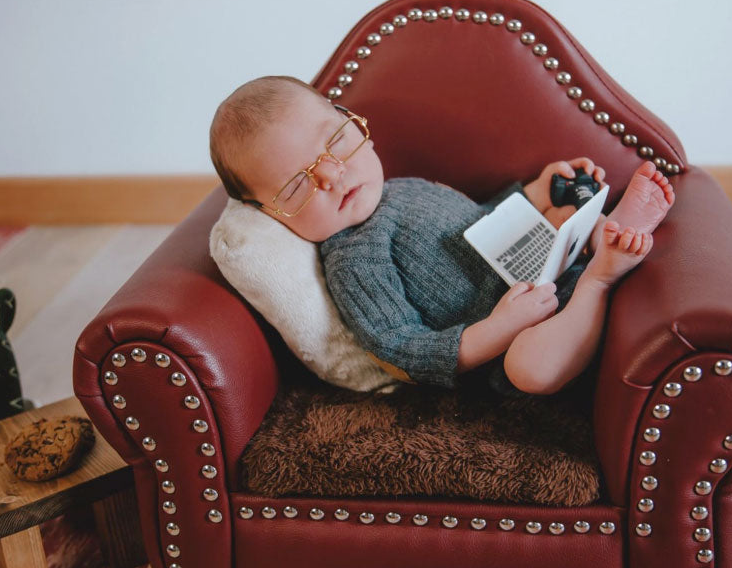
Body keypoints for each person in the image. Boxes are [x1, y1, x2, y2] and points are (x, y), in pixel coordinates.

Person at [209, 75, 675, 396]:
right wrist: (501, 328)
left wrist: (537, 193)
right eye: (297, 185)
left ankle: (604, 230)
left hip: (535, 265)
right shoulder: (354, 259)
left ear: (353, 122)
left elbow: (482, 220)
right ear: (272, 214)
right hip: (522, 336)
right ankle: (600, 279)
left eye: (335, 141)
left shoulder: (403, 188)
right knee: (529, 368)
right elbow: (399, 348)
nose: (332, 175)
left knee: (565, 214)